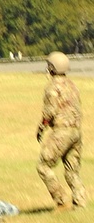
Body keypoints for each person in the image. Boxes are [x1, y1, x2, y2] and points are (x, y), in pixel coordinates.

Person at [37, 50, 86, 211]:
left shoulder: (52, 87)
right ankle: (80, 203)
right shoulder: (72, 85)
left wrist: (41, 127)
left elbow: (49, 113)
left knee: (43, 166)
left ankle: (61, 201)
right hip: (76, 132)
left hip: (62, 132)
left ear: (52, 67)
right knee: (72, 171)